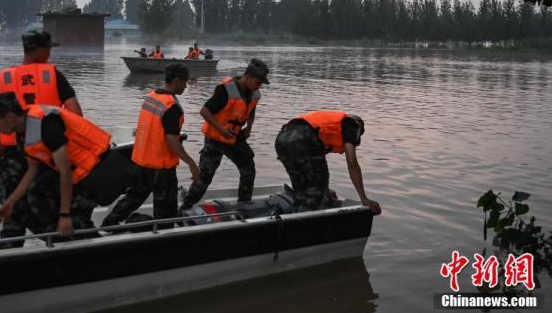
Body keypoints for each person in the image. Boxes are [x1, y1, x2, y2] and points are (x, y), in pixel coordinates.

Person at [0, 30, 83, 248]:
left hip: (12, 157)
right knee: (47, 209)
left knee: (12, 217)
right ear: (40, 50)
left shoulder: (5, 77)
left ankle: (10, 254)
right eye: (49, 49)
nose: (50, 53)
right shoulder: (53, 75)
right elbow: (75, 114)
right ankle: (58, 247)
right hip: (48, 154)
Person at [0, 92, 139, 237]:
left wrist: (64, 214)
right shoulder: (23, 132)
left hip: (97, 172)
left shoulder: (46, 125)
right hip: (78, 175)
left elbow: (65, 171)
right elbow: (32, 170)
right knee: (36, 190)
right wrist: (10, 202)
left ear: (9, 117)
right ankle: (62, 236)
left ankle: (86, 239)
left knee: (76, 221)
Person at [103, 64, 199, 228]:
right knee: (166, 210)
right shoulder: (172, 106)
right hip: (161, 168)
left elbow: (155, 129)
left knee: (134, 196)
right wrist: (191, 163)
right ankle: (162, 235)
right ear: (176, 81)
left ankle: (108, 224)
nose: (185, 86)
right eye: (185, 82)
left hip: (142, 161)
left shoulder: (152, 96)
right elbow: (171, 140)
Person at [180, 59, 269, 210]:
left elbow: (252, 109)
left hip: (234, 138)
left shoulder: (254, 92)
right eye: (258, 81)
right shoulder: (227, 90)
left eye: (262, 82)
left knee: (248, 168)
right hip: (215, 138)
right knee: (205, 177)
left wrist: (249, 127)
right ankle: (185, 206)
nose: (259, 85)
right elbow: (204, 111)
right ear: (247, 76)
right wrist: (221, 129)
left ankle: (244, 204)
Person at [274, 111, 381, 214]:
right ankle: (301, 223)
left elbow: (317, 166)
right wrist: (364, 199)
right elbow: (352, 163)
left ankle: (288, 214)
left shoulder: (326, 125)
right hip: (304, 138)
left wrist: (326, 190)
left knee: (301, 188)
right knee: (315, 193)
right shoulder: (352, 125)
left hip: (282, 139)